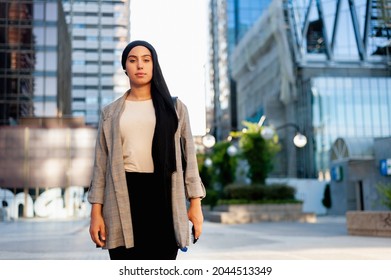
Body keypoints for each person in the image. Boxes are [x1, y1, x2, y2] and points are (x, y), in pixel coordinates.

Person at [87, 40, 206, 260]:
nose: (139, 65)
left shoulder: (175, 109)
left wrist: (195, 205)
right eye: (132, 60)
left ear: (154, 65)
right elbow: (100, 166)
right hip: (123, 195)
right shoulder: (110, 113)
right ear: (125, 68)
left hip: (165, 196)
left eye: (146, 60)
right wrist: (96, 214)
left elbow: (189, 160)